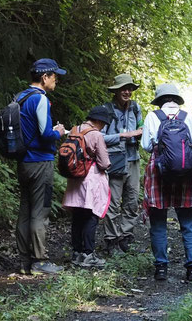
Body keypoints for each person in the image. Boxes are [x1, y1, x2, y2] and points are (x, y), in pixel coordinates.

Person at [141, 84, 192, 281]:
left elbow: (145, 145)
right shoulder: (187, 117)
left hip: (158, 173)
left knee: (158, 224)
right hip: (185, 174)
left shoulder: (153, 116)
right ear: (176, 99)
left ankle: (161, 268)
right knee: (188, 223)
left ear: (160, 100)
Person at [16, 58, 67, 275]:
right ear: (45, 77)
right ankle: (40, 261)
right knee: (40, 211)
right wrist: (60, 132)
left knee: (25, 211)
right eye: (54, 76)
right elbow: (46, 134)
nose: (56, 81)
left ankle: (24, 260)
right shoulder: (40, 99)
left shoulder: (20, 97)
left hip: (23, 162)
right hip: (41, 162)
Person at [62, 106, 112, 268]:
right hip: (90, 180)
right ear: (98, 121)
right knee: (91, 216)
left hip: (74, 179)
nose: (103, 127)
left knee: (77, 217)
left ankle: (76, 253)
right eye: (103, 123)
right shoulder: (96, 134)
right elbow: (104, 163)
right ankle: (88, 254)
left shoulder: (75, 130)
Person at [101, 74, 143, 255]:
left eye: (130, 88)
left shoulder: (135, 108)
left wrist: (139, 133)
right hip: (114, 161)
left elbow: (142, 128)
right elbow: (99, 137)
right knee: (113, 203)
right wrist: (122, 136)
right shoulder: (106, 110)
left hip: (133, 159)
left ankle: (126, 236)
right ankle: (111, 239)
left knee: (132, 200)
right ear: (116, 91)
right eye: (123, 88)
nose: (127, 92)